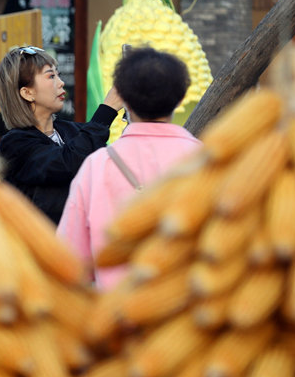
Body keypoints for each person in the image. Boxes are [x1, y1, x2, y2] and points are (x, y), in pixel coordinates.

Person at [57, 47, 202, 290]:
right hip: (188, 315)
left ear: (124, 98)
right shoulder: (205, 160)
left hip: (117, 314)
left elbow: (69, 261)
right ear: (180, 98)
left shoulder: (98, 165)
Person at [0, 46, 123, 225]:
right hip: (42, 248)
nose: (61, 82)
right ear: (27, 92)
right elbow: (67, 162)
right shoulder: (15, 145)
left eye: (58, 74)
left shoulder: (72, 131)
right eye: (51, 76)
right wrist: (108, 110)